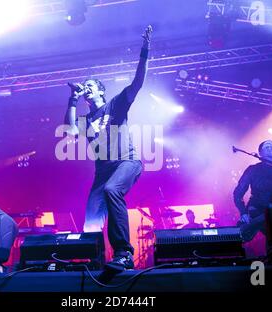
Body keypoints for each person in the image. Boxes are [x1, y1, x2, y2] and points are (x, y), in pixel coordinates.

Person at [64, 26, 152, 271]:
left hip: (127, 162)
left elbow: (138, 82)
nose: (86, 87)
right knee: (91, 219)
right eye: (84, 86)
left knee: (113, 190)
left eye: (90, 84)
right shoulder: (85, 120)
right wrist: (72, 99)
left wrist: (144, 52)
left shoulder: (115, 105)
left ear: (100, 90)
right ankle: (95, 259)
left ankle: (123, 252)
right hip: (102, 171)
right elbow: (69, 130)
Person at [233, 140, 272, 245]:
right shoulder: (253, 169)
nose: (270, 148)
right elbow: (238, 193)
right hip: (256, 210)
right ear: (260, 153)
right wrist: (243, 212)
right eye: (267, 147)